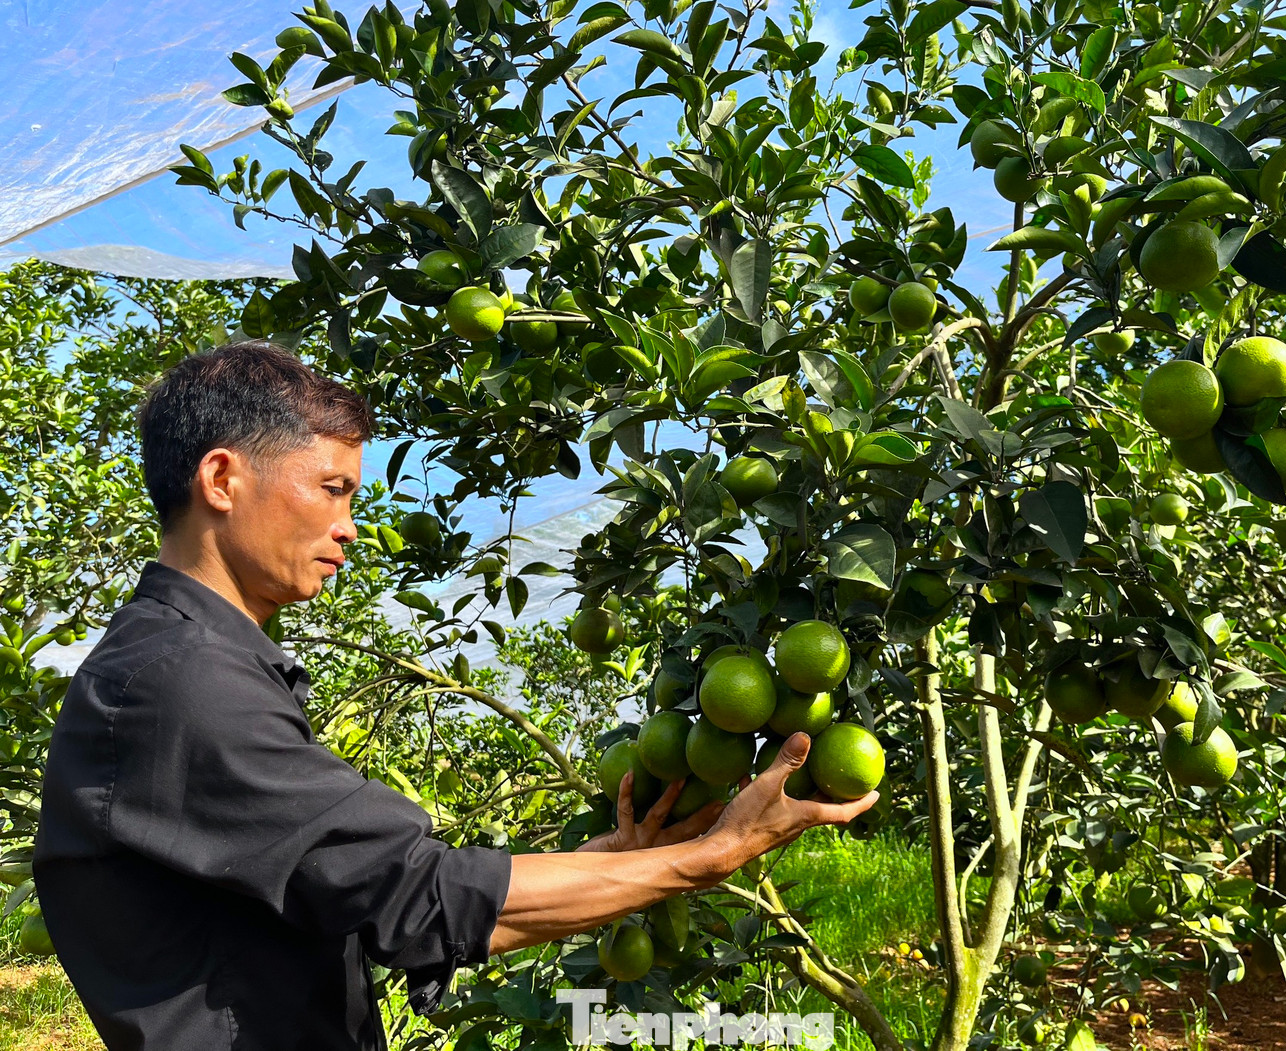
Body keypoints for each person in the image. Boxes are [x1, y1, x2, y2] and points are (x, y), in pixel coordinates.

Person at [33, 340, 879, 1050]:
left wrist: (622, 866)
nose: (349, 525)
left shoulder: (197, 666)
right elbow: (423, 896)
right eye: (332, 488)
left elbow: (390, 909)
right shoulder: (178, 686)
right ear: (222, 479)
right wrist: (711, 856)